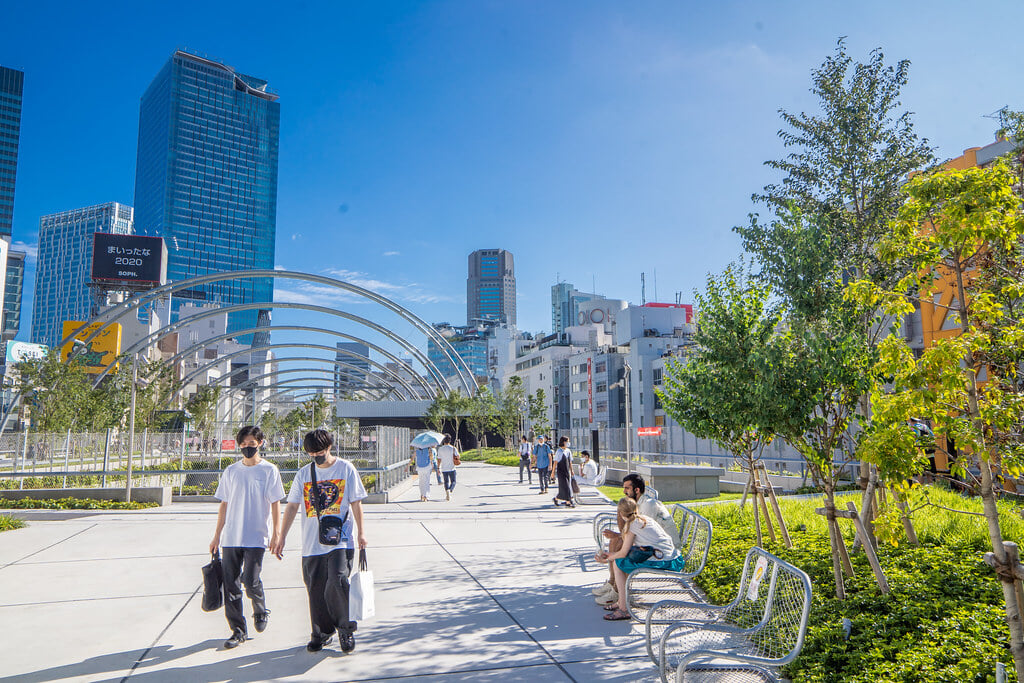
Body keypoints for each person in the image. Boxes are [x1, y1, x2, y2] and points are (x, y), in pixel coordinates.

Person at [272, 429, 367, 654]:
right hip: (312, 542)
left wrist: (362, 533)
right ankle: (321, 633)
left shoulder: (346, 469)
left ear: (330, 447)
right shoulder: (304, 473)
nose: (316, 456)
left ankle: (345, 629)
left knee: (337, 581)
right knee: (315, 589)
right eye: (311, 453)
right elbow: (293, 506)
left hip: (341, 541)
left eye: (320, 451)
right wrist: (281, 536)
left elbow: (356, 503)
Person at [209, 425, 285, 649]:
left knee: (250, 582)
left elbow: (275, 504)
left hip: (257, 537)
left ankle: (260, 609)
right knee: (231, 587)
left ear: (260, 443)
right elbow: (224, 504)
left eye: (252, 444)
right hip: (231, 537)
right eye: (243, 444)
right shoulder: (231, 471)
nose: (247, 448)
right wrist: (216, 536)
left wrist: (276, 534)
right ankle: (238, 630)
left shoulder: (269, 470)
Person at [593, 473, 679, 606]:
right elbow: (632, 532)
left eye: (627, 488)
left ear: (636, 490)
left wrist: (609, 554)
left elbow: (634, 533)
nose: (624, 491)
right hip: (653, 546)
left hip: (663, 552)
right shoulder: (637, 506)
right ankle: (612, 583)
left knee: (620, 546)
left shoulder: (647, 506)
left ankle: (617, 593)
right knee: (616, 541)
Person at [595, 496, 685, 621]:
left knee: (618, 563)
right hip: (674, 558)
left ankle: (623, 609)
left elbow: (622, 553)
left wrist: (608, 557)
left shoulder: (631, 526)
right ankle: (621, 602)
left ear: (621, 514)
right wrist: (608, 557)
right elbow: (628, 550)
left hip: (666, 562)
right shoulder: (644, 519)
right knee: (620, 561)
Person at [552, 436, 575, 508]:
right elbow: (555, 462)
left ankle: (556, 498)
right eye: (567, 441)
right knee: (565, 486)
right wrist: (552, 473)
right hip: (560, 471)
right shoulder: (559, 451)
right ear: (564, 442)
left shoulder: (568, 451)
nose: (568, 443)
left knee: (565, 486)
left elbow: (570, 462)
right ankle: (568, 502)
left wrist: (572, 470)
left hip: (567, 471)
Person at [436, 435, 460, 501]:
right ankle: (450, 489)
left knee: (446, 482)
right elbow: (458, 456)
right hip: (452, 468)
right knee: (454, 481)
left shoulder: (440, 449)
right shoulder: (453, 448)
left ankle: (447, 491)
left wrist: (438, 468)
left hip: (444, 468)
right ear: (450, 440)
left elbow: (439, 459)